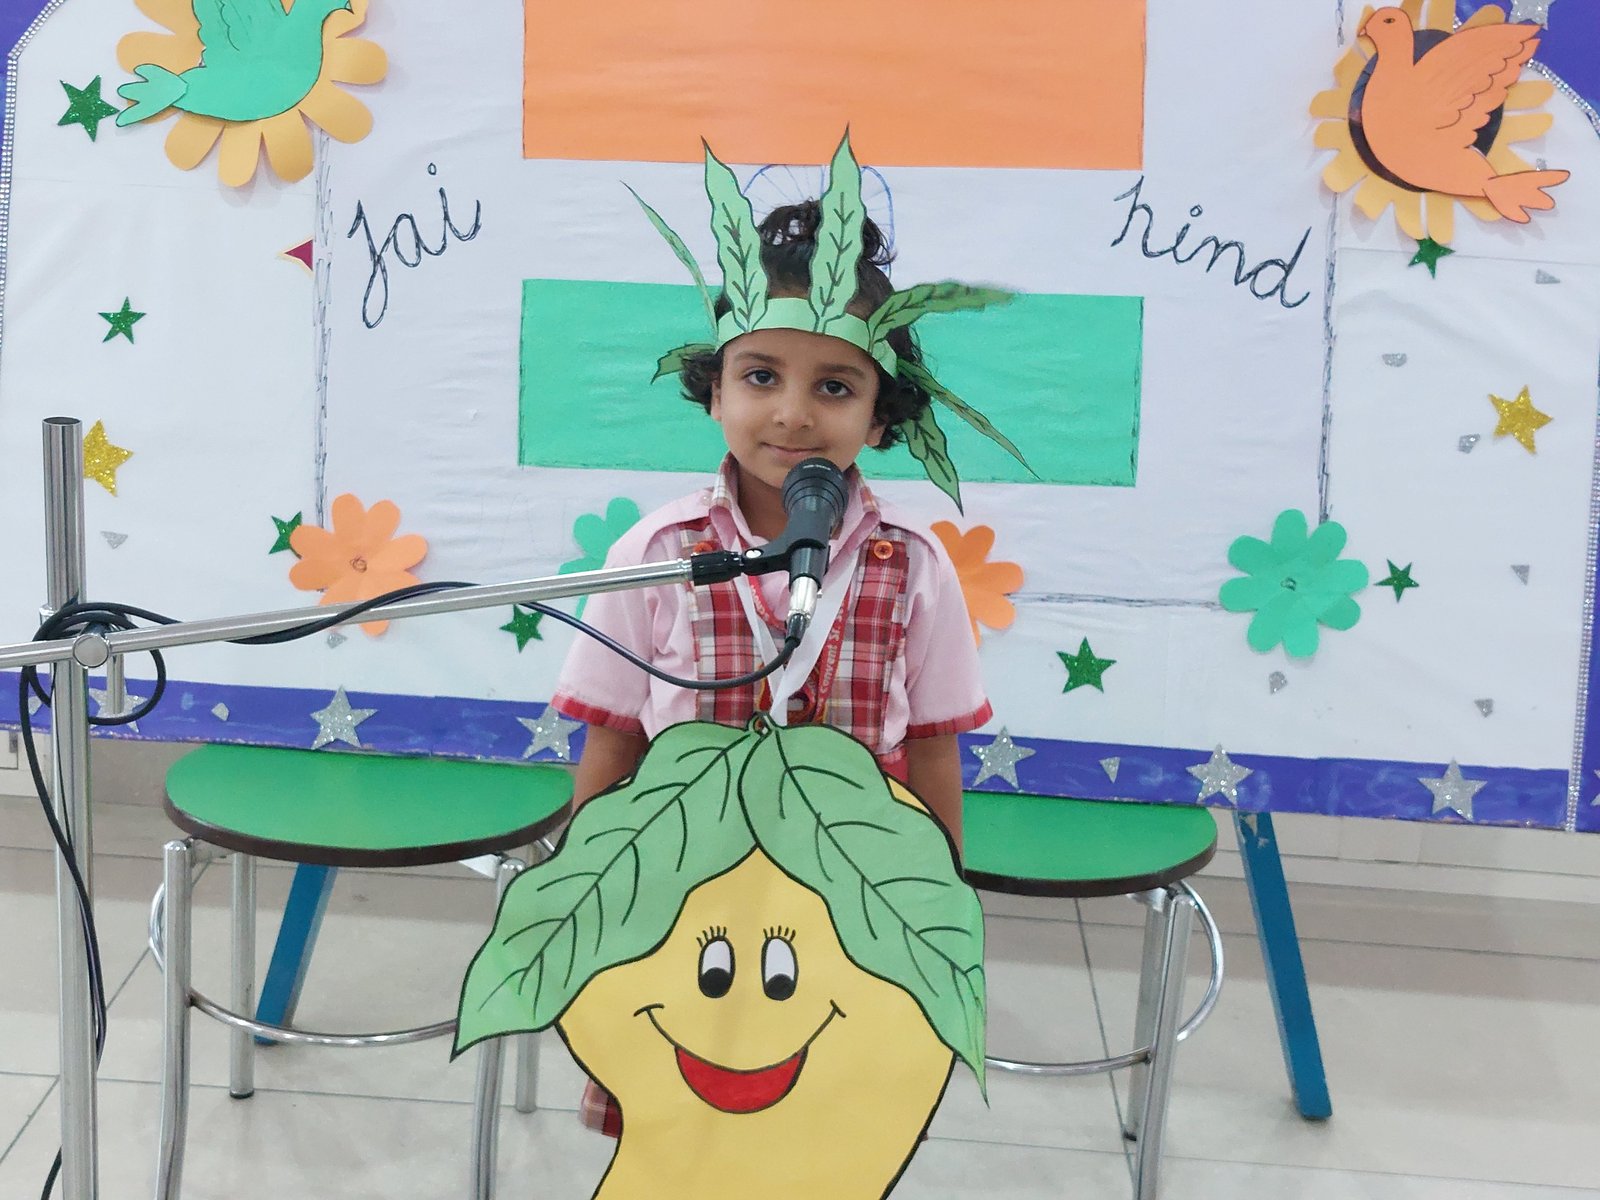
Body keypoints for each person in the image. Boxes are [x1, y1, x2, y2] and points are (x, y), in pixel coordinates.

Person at [548, 134, 1016, 1135]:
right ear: (714, 391)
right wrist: (583, 896)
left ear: (882, 417)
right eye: (760, 377)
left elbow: (935, 750)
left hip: (844, 909)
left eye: (834, 387)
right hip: (683, 896)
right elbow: (613, 739)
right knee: (677, 1124)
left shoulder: (913, 565)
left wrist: (941, 911)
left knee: (818, 1133)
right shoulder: (657, 552)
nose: (793, 414)